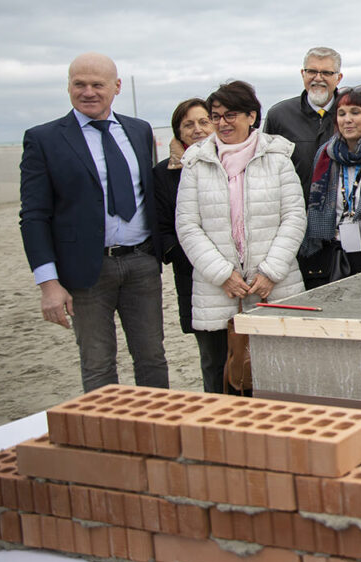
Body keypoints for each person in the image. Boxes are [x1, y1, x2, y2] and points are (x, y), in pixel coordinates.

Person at [19, 52, 168, 392]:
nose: (88, 92)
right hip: (85, 272)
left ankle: (159, 432)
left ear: (116, 87)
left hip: (142, 264)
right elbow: (33, 216)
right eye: (79, 84)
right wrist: (48, 284)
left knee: (152, 358)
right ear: (68, 87)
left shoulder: (139, 130)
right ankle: (105, 439)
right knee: (98, 364)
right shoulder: (44, 139)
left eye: (97, 85)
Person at [175, 81, 307, 393]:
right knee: (221, 374)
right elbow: (188, 226)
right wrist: (223, 275)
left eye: (230, 114)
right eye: (216, 116)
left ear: (251, 116)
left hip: (275, 286)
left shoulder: (277, 157)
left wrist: (270, 271)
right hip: (216, 291)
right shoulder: (195, 162)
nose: (222, 123)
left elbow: (293, 217)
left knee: (280, 377)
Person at [152, 98, 228, 392]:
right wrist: (200, 260)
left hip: (242, 272)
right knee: (213, 358)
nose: (197, 129)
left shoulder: (233, 161)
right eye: (188, 124)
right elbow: (163, 229)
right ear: (178, 132)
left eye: (203, 121)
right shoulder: (163, 174)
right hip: (195, 275)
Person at [299, 86, 361, 288]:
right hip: (331, 247)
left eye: (355, 112)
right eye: (341, 113)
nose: (347, 119)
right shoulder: (325, 154)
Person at [264, 46, 343, 200]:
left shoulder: (352, 116)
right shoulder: (279, 115)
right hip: (295, 212)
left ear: (338, 78)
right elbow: (266, 171)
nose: (318, 78)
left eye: (326, 73)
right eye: (312, 71)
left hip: (342, 214)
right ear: (303, 74)